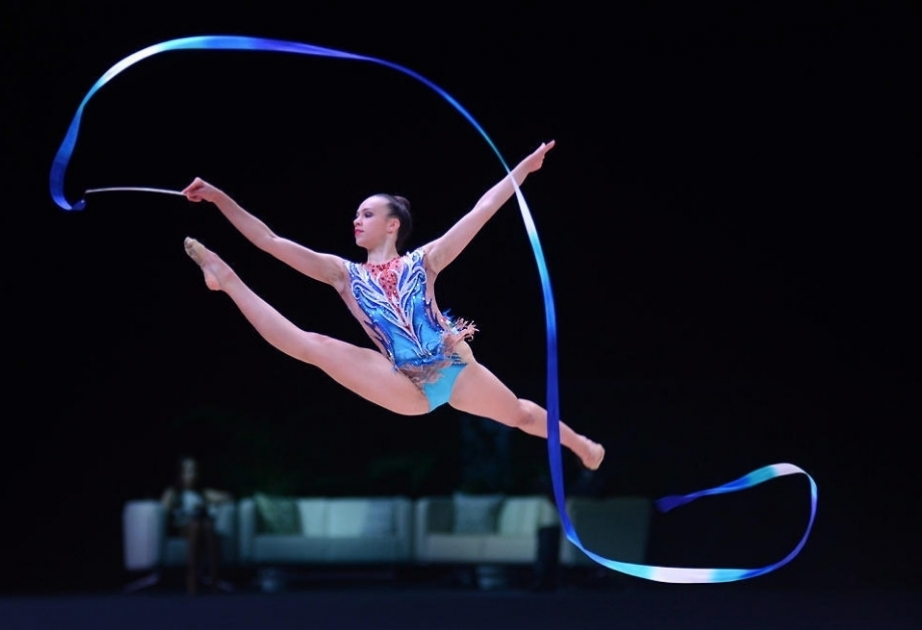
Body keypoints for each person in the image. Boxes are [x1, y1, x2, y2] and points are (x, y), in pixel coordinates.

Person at [180, 140, 605, 471]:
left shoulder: (425, 260)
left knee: (520, 415)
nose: (356, 220)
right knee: (315, 346)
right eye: (356, 216)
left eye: (366, 214)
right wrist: (219, 198)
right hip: (403, 385)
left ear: (392, 223)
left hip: (455, 368)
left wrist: (523, 170)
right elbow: (269, 241)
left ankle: (580, 444)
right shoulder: (344, 274)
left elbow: (484, 208)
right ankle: (227, 278)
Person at [160, 456, 233, 594]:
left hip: (202, 527)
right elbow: (163, 511)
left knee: (206, 525)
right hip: (182, 527)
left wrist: (207, 504)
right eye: (187, 472)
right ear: (180, 474)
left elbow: (227, 497)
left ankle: (214, 576)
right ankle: (191, 576)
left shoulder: (202, 493)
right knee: (195, 525)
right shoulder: (173, 492)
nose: (191, 476)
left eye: (194, 471)